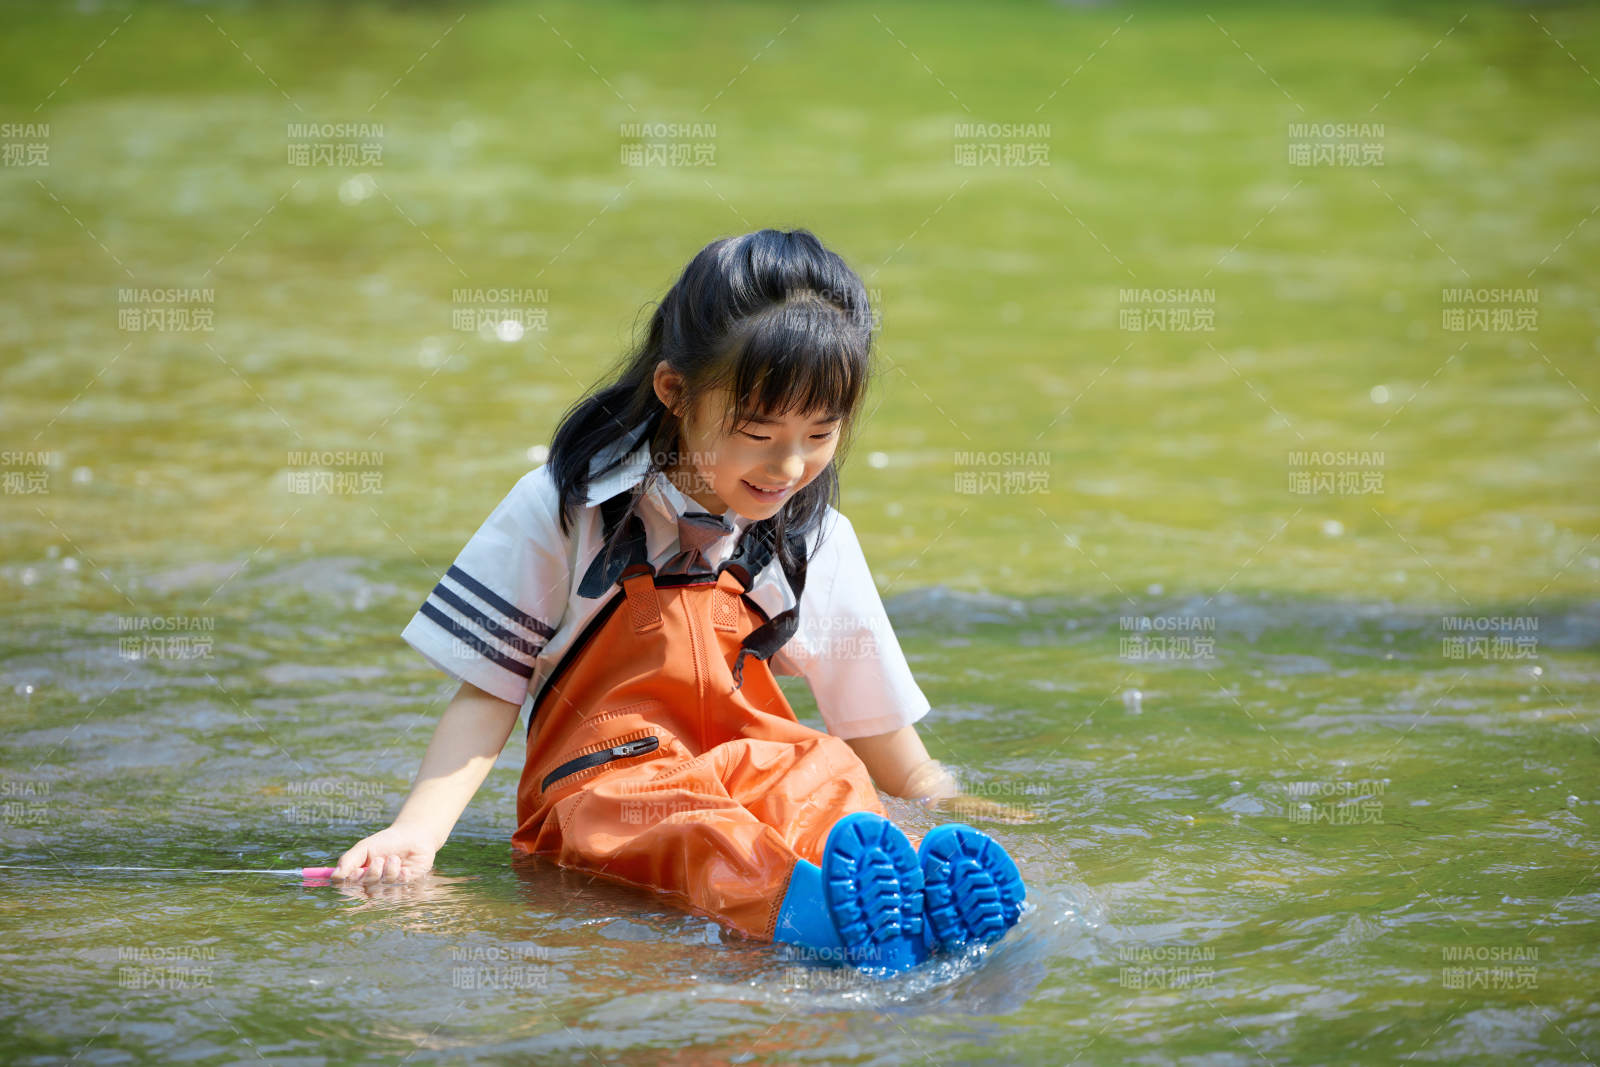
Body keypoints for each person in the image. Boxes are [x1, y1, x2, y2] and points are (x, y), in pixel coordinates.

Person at [333, 228, 1026, 975]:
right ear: (675, 392)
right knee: (695, 827)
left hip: (746, 760)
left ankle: (904, 901)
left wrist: (936, 792)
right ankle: (815, 917)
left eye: (820, 434)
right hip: (608, 786)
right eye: (758, 434)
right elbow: (489, 689)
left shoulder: (811, 534)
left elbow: (870, 719)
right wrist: (416, 832)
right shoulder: (568, 507)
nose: (789, 466)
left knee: (821, 770)